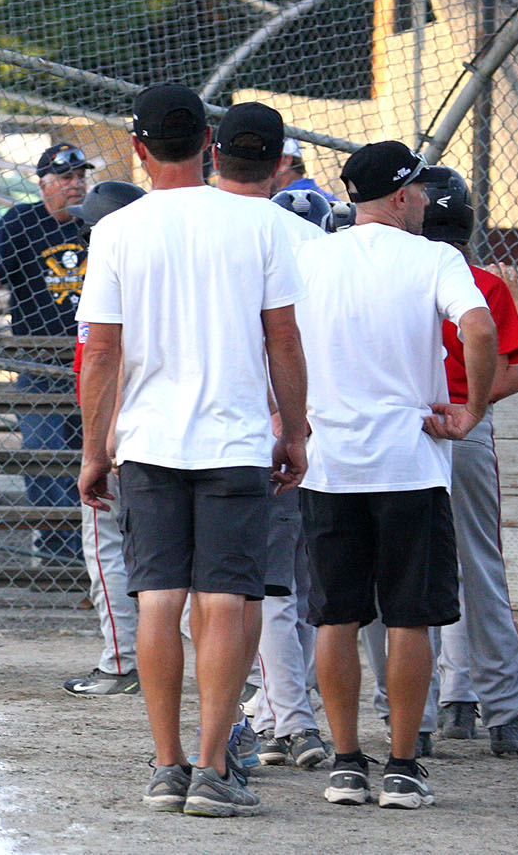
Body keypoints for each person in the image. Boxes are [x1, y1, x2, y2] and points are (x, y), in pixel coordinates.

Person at [77, 84, 308, 818]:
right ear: (210, 140)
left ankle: (166, 763)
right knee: (227, 598)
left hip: (148, 440)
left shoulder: (118, 229)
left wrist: (93, 447)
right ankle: (213, 765)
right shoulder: (259, 223)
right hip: (235, 439)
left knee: (158, 597)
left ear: (138, 149)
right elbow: (283, 337)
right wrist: (294, 431)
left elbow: (102, 353)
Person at [296, 141, 496, 811]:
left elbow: (279, 339)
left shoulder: (312, 255)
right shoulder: (435, 257)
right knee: (410, 618)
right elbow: (480, 329)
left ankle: (347, 762)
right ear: (405, 195)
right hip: (409, 464)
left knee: (336, 618)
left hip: (331, 464)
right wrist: (470, 411)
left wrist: (291, 418)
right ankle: (405, 765)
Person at [211, 103, 330, 771]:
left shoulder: (210, 229)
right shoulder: (310, 241)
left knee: (270, 585)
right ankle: (285, 710)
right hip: (310, 430)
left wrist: (286, 421)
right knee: (298, 586)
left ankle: (288, 716)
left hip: (266, 431)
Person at [418, 166, 518, 756]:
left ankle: (419, 715)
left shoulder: (386, 270)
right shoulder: (479, 282)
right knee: (479, 569)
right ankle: (501, 713)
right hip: (463, 429)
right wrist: (474, 400)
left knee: (400, 571)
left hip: (397, 433)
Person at [0, 141, 92, 562]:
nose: (76, 184)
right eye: (66, 177)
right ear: (44, 185)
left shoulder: (97, 220)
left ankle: (86, 549)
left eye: (80, 176)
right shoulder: (22, 221)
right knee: (43, 455)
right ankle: (58, 547)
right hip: (38, 359)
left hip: (91, 360)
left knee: (88, 457)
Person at [59, 179, 143, 698]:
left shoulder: (108, 279)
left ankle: (120, 664)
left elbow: (98, 362)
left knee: (107, 549)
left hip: (118, 438)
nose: (86, 234)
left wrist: (99, 443)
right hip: (166, 434)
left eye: (92, 225)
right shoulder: (170, 276)